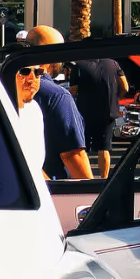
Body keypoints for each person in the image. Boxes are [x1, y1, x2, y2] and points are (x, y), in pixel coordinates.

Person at [23, 25, 94, 180]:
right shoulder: (58, 96)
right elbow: (72, 155)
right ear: (51, 54)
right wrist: (94, 196)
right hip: (55, 191)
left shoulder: (3, 86)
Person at [69, 57, 129, 178]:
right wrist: (115, 97)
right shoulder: (113, 64)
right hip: (107, 112)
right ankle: (104, 179)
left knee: (82, 148)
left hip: (84, 112)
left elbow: (73, 91)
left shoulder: (78, 65)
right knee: (104, 148)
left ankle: (85, 178)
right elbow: (125, 87)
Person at [15, 64, 46, 174]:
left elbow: (34, 168)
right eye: (24, 71)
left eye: (38, 72)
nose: (32, 79)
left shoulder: (34, 109)